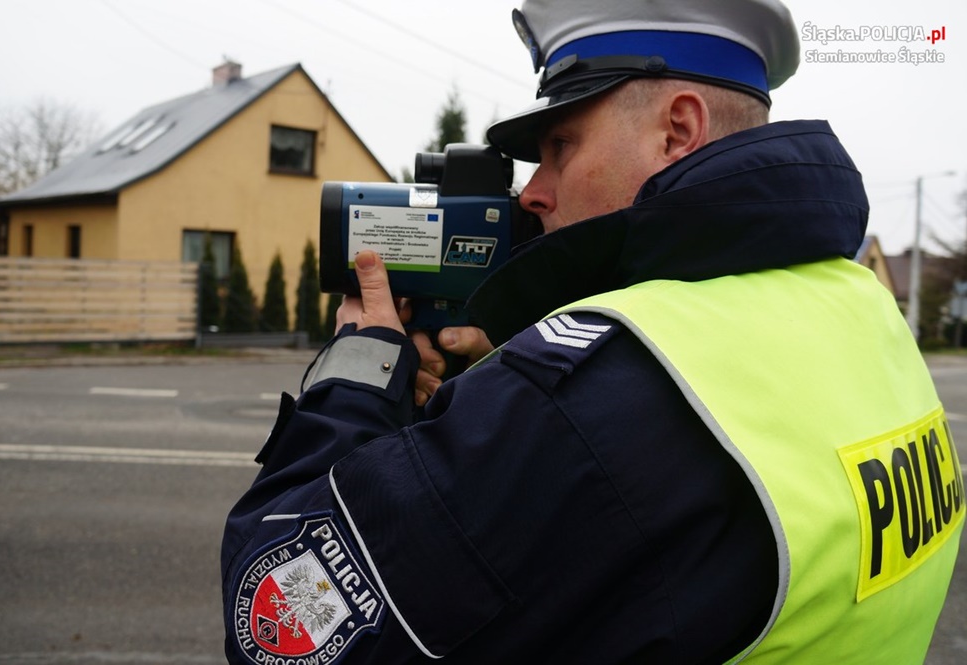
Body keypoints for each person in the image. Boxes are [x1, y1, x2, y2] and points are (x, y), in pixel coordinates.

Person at [221, 0, 965, 663]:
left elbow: (277, 622)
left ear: (678, 129)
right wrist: (493, 395)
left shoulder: (591, 399)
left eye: (560, 148)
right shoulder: (862, 310)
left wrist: (356, 371)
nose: (534, 192)